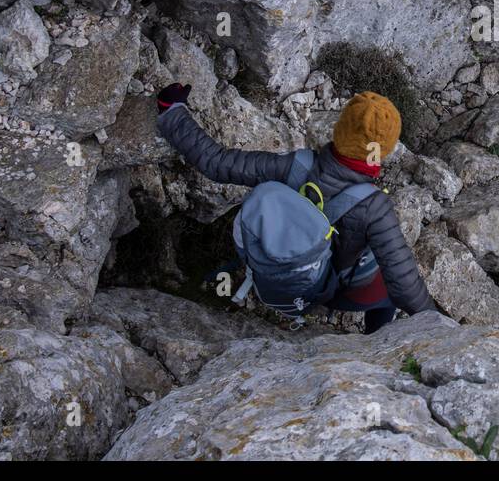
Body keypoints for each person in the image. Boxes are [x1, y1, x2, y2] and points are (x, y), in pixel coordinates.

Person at [155, 82, 435, 333]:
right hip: (325, 291)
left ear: (339, 130)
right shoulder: (375, 207)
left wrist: (173, 111)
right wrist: (440, 329)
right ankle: (378, 345)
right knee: (386, 295)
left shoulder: (295, 165)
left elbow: (217, 163)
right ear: (383, 151)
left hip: (272, 274)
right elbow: (404, 284)